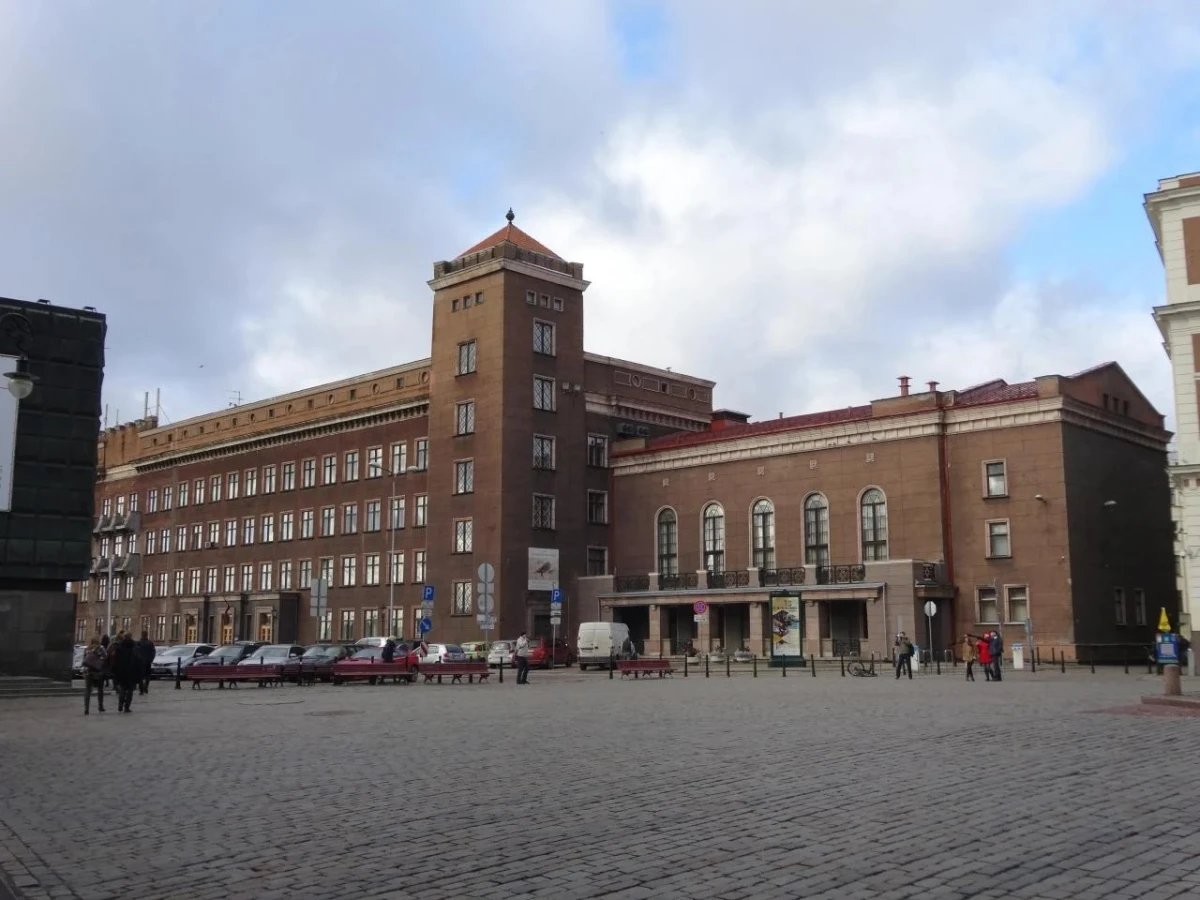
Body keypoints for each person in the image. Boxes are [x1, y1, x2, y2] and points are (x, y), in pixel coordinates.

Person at [111, 632, 138, 713]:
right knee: (130, 690)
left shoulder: (119, 645)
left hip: (121, 670)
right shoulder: (134, 645)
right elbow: (137, 658)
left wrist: (115, 670)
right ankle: (126, 707)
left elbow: (115, 658)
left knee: (122, 688)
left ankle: (120, 704)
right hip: (131, 670)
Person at [83, 637, 107, 715]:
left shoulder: (87, 649)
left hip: (88, 672)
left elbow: (84, 660)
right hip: (98, 672)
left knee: (88, 690)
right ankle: (100, 706)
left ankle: (86, 708)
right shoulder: (101, 648)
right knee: (100, 690)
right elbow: (105, 657)